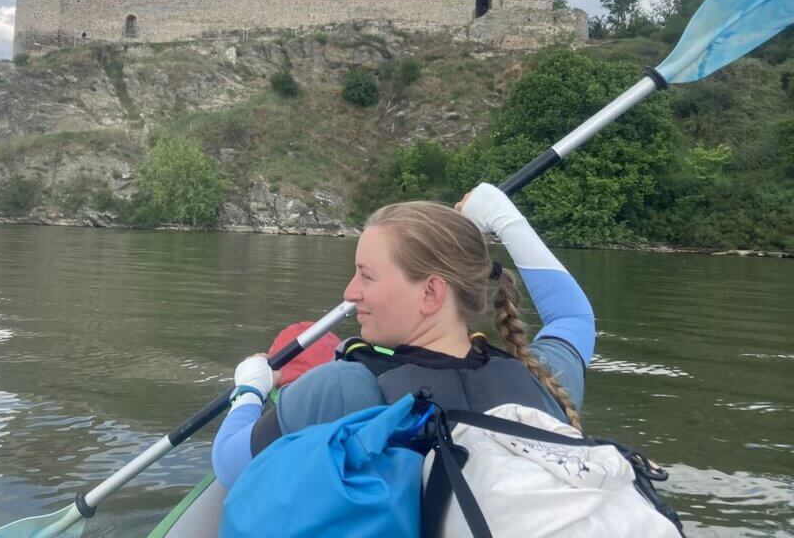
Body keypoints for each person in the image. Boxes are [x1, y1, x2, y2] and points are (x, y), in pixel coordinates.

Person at [212, 183, 595, 488]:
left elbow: (230, 464)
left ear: (430, 293)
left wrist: (250, 389)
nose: (350, 291)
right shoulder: (539, 379)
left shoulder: (344, 387)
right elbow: (574, 316)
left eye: (367, 275)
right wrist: (500, 213)